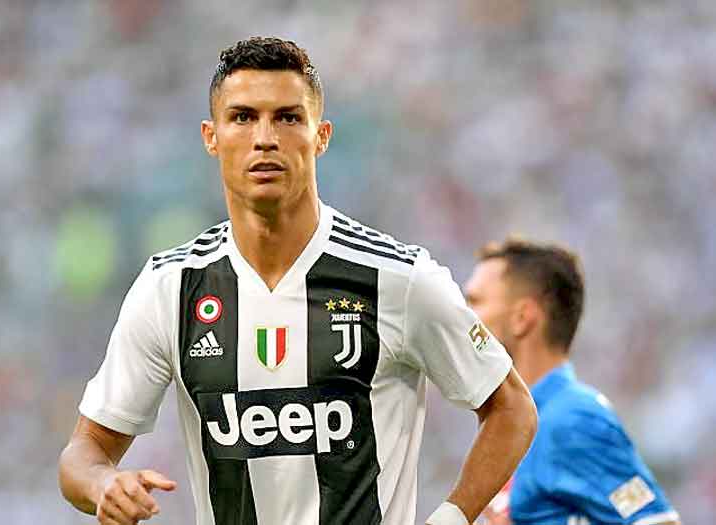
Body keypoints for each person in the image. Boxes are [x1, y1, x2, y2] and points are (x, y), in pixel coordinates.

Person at [58, 36, 537, 525]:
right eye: (243, 117)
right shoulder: (171, 288)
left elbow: (512, 408)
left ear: (321, 135)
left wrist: (451, 518)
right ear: (211, 136)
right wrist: (103, 484)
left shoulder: (396, 278)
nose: (265, 138)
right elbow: (85, 451)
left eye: (287, 118)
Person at [464, 238, 681, 525]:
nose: (462, 317)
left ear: (522, 318)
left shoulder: (573, 420)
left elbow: (659, 522)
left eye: (474, 302)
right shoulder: (513, 422)